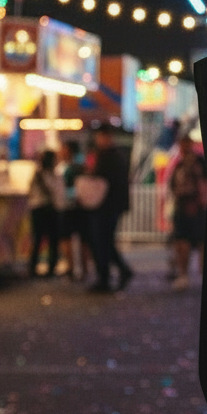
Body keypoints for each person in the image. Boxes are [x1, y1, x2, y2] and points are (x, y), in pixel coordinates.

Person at [86, 124, 134, 293]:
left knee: (102, 241)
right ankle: (118, 271)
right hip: (110, 206)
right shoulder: (114, 156)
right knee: (104, 242)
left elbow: (100, 181)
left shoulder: (109, 157)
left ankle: (106, 278)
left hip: (106, 206)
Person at [168, 133, 207, 290]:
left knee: (200, 241)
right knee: (182, 241)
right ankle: (183, 274)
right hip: (183, 206)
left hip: (197, 207)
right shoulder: (179, 163)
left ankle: (193, 274)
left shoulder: (197, 163)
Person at [57, 139, 92, 280]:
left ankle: (72, 268)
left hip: (70, 206)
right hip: (83, 206)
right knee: (83, 238)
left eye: (63, 148)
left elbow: (66, 189)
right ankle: (84, 269)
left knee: (67, 237)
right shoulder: (83, 164)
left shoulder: (68, 168)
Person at [27, 149, 63, 277]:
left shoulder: (39, 174)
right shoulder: (52, 175)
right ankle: (50, 267)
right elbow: (59, 193)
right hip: (50, 210)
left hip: (38, 209)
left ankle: (34, 267)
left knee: (38, 239)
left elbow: (30, 191)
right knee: (51, 240)